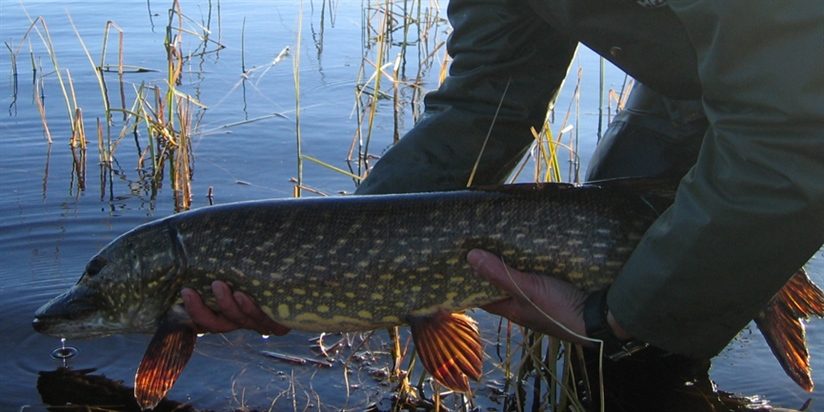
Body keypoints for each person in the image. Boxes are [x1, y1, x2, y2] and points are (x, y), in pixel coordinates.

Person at [183, 0, 823, 389]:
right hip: (708, 66)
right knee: (626, 329)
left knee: (640, 315)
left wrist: (620, 320)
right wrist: (331, 253)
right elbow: (490, 93)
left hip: (801, 67)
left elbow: (795, 135)